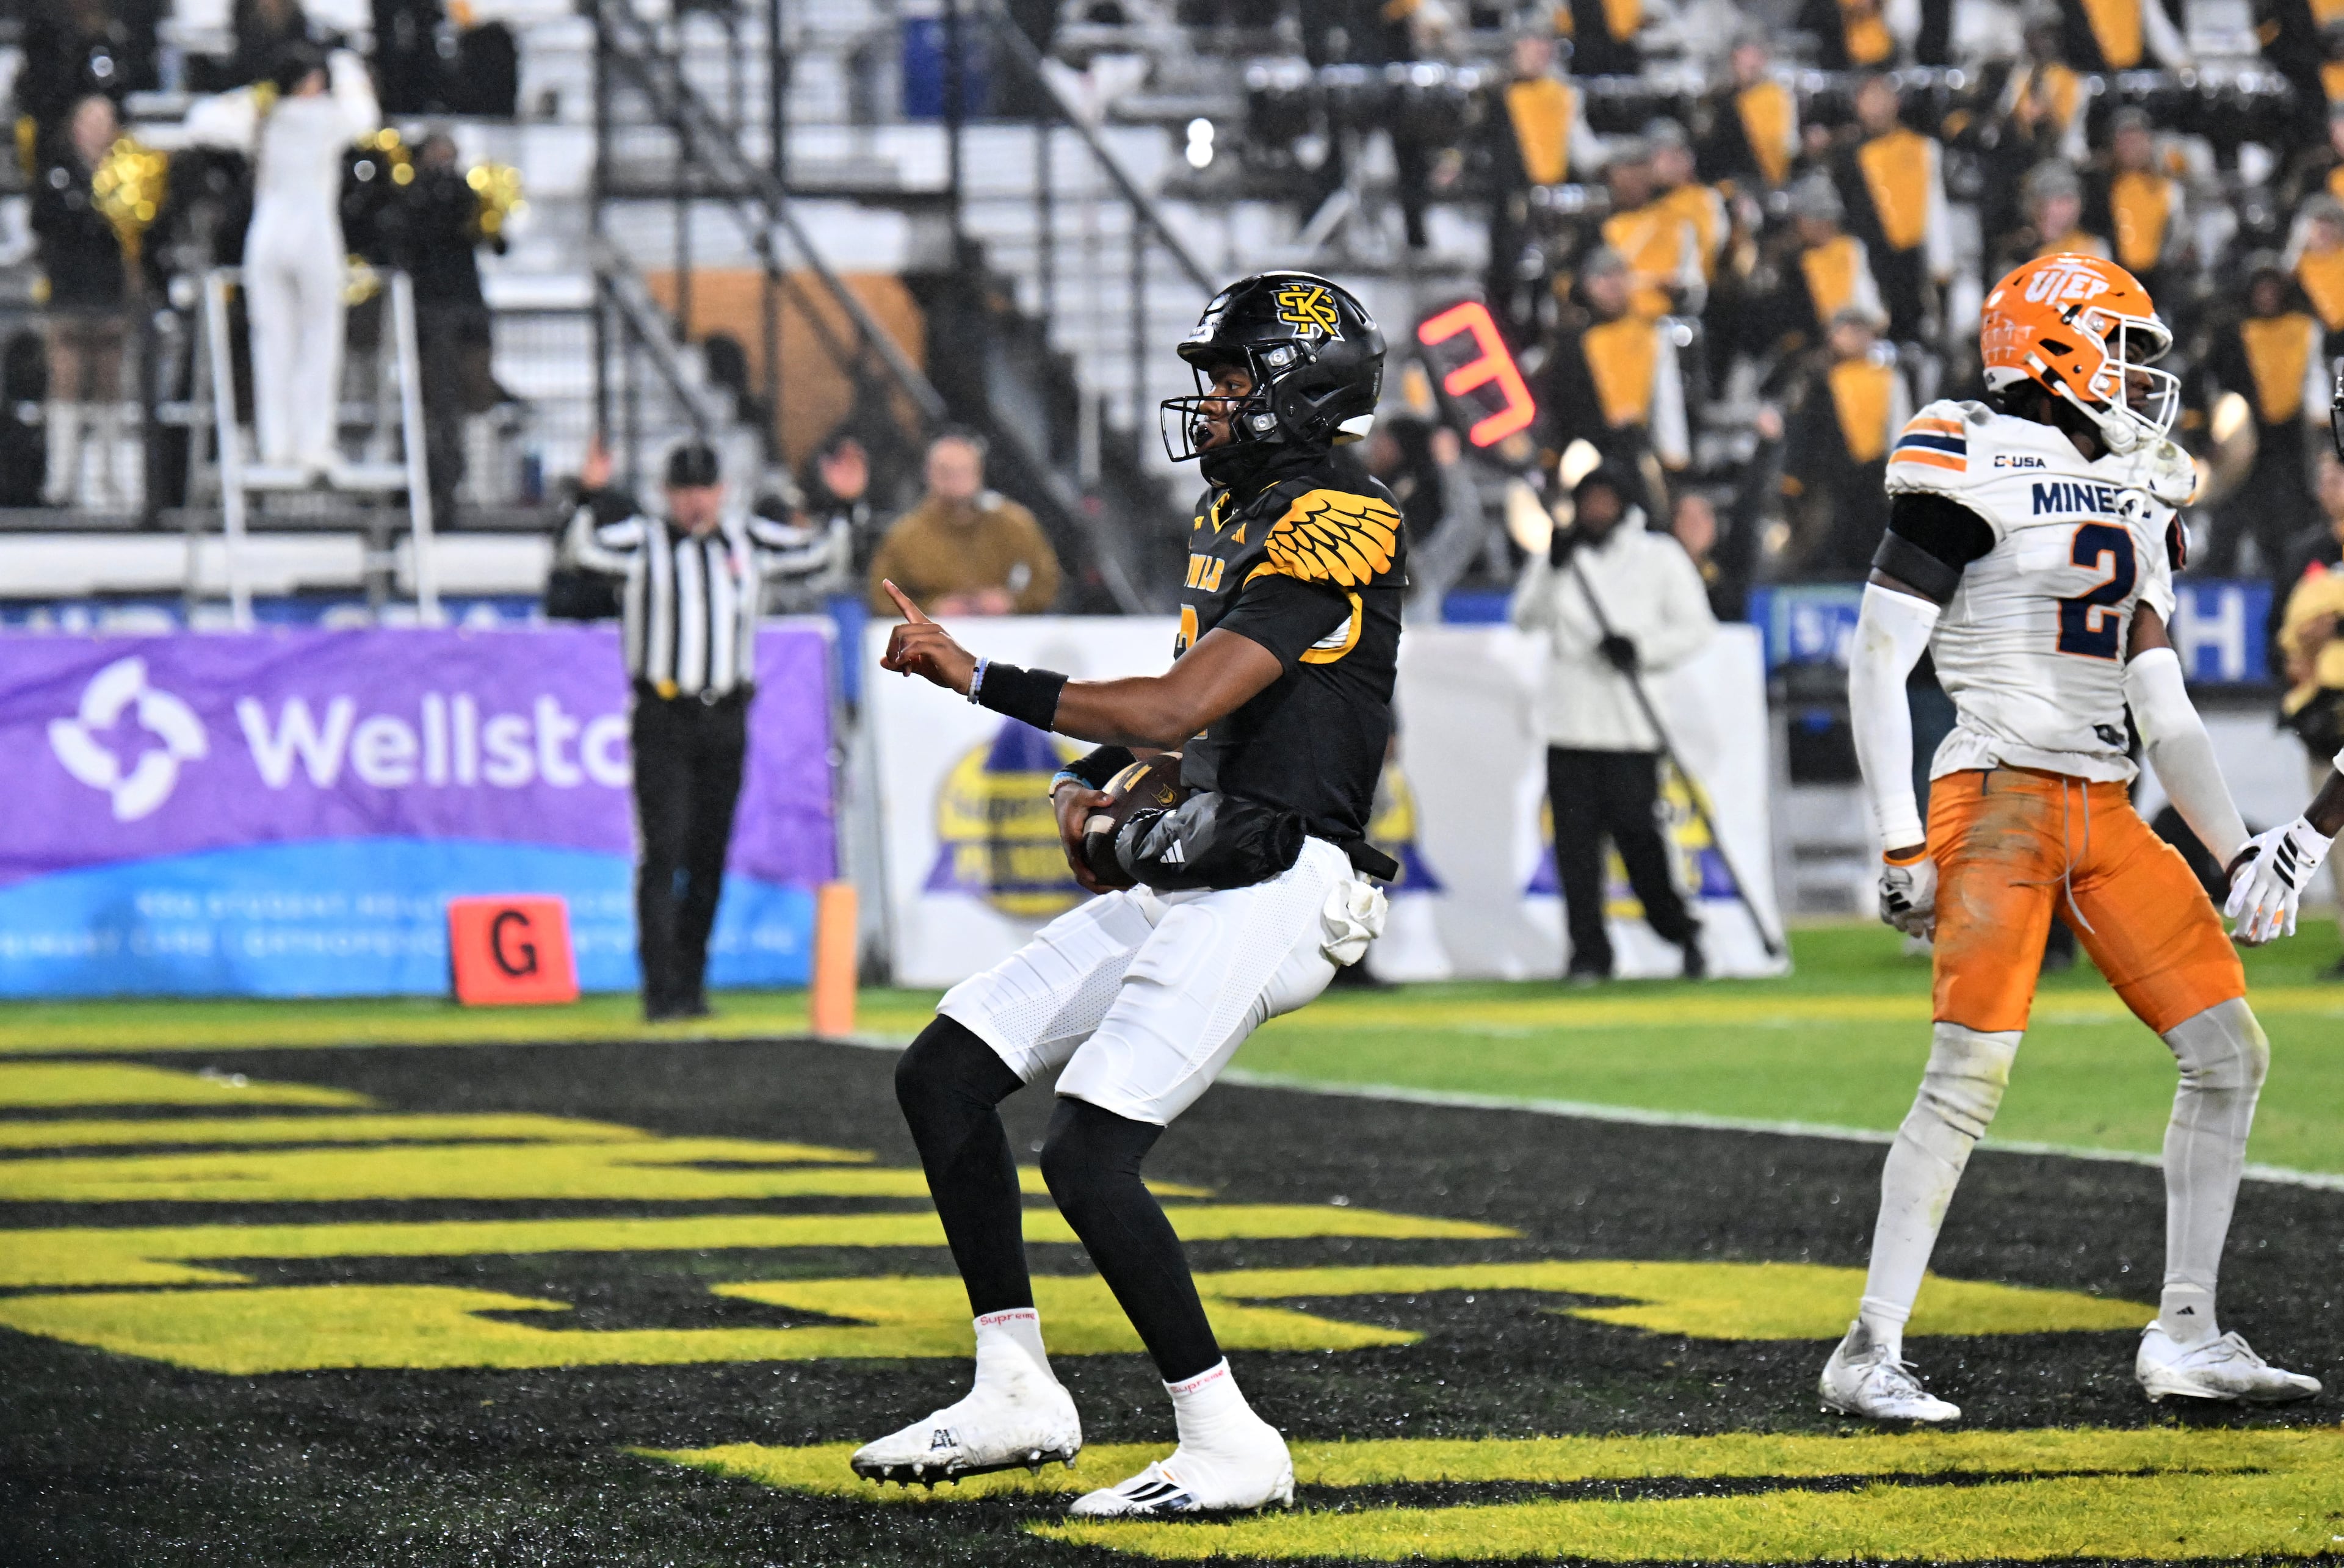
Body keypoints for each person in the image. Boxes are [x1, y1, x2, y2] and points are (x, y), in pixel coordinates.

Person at [853, 271, 1402, 1517]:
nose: (1212, 401)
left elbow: (1184, 701)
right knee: (944, 1071)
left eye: (1233, 377)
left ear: (1300, 389)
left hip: (1283, 876)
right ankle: (1014, 1388)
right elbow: (1189, 715)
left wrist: (980, 675)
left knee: (1091, 1153)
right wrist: (1093, 779)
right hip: (1212, 859)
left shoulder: (1340, 518)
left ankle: (1229, 1440)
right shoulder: (1245, 507)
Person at [1822, 251, 2318, 1422]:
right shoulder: (1968, 449)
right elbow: (1879, 657)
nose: (2145, 379)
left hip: (2103, 802)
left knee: (2230, 1051)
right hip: (1996, 791)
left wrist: (2236, 850)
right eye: (2126, 350)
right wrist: (1898, 839)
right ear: (2057, 346)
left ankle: (2187, 1330)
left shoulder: (2141, 488)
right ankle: (1868, 1345)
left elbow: (2164, 706)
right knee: (1969, 1069)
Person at [563, 439, 841, 1021]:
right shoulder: (643, 542)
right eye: (685, 490)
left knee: (709, 853)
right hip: (664, 713)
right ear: (668, 494)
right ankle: (660, 990)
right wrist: (588, 495)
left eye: (705, 489)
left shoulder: (748, 541)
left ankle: (691, 986)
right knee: (664, 851)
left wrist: (840, 505)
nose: (696, 502)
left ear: (722, 491)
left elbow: (820, 560)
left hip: (725, 716)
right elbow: (582, 554)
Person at [1510, 465, 1714, 981]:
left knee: (1640, 842)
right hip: (1568, 728)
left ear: (1624, 505)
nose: (1596, 511)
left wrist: (1641, 649)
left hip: (1630, 731)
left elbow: (1696, 627)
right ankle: (1589, 953)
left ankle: (1679, 929)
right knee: (1575, 852)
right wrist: (1551, 567)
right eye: (1588, 501)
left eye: (1605, 500)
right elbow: (1525, 618)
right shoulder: (1561, 557)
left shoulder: (1658, 556)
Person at [184, 42, 381, 476]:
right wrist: (347, 65)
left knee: (271, 341)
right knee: (320, 339)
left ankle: (275, 443)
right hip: (314, 234)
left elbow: (200, 122)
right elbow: (366, 116)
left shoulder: (264, 115)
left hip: (267, 237)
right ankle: (312, 442)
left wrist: (255, 102)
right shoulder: (329, 116)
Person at [2261, 449, 2344, 976]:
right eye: (2327, 475)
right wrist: (2291, 659)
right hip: (2326, 719)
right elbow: (2274, 632)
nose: (2330, 483)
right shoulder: (2305, 552)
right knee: (2334, 837)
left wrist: (2336, 628)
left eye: (2340, 474)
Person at [31, 94, 132, 507]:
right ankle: (62, 477)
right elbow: (45, 220)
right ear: (75, 127)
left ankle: (109, 475)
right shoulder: (56, 171)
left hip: (111, 286)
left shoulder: (129, 171)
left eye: (104, 123)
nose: (97, 131)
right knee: (66, 376)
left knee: (110, 378)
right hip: (68, 285)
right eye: (90, 122)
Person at [2202, 257, 2326, 578]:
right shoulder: (2232, 333)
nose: (2267, 297)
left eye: (2273, 289)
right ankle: (2217, 576)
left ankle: (2291, 576)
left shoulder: (2303, 328)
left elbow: (2315, 385)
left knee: (2291, 516)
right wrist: (2209, 433)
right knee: (2231, 512)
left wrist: (2320, 430)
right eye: (2261, 289)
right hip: (2242, 439)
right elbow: (2211, 384)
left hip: (2288, 441)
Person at [866, 430, 1060, 615]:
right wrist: (931, 608)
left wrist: (1012, 602)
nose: (956, 479)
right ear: (928, 474)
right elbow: (881, 597)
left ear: (979, 472)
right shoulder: (905, 536)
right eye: (946, 472)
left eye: (964, 471)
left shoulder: (1014, 525)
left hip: (1005, 632)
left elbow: (1048, 581)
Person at [1782, 305, 1910, 577]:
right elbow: (1802, 430)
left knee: (1870, 546)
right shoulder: (1816, 377)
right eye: (1847, 330)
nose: (1854, 338)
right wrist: (1794, 477)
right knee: (1823, 545)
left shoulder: (1887, 378)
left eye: (1860, 331)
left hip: (1873, 476)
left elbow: (1899, 431)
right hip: (1826, 479)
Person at [1830, 73, 1952, 343]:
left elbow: (1936, 208)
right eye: (1868, 101)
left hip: (1915, 259)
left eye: (1880, 99)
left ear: (1895, 102)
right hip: (1872, 258)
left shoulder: (1922, 148)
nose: (1875, 109)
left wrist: (1941, 264)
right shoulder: (1847, 156)